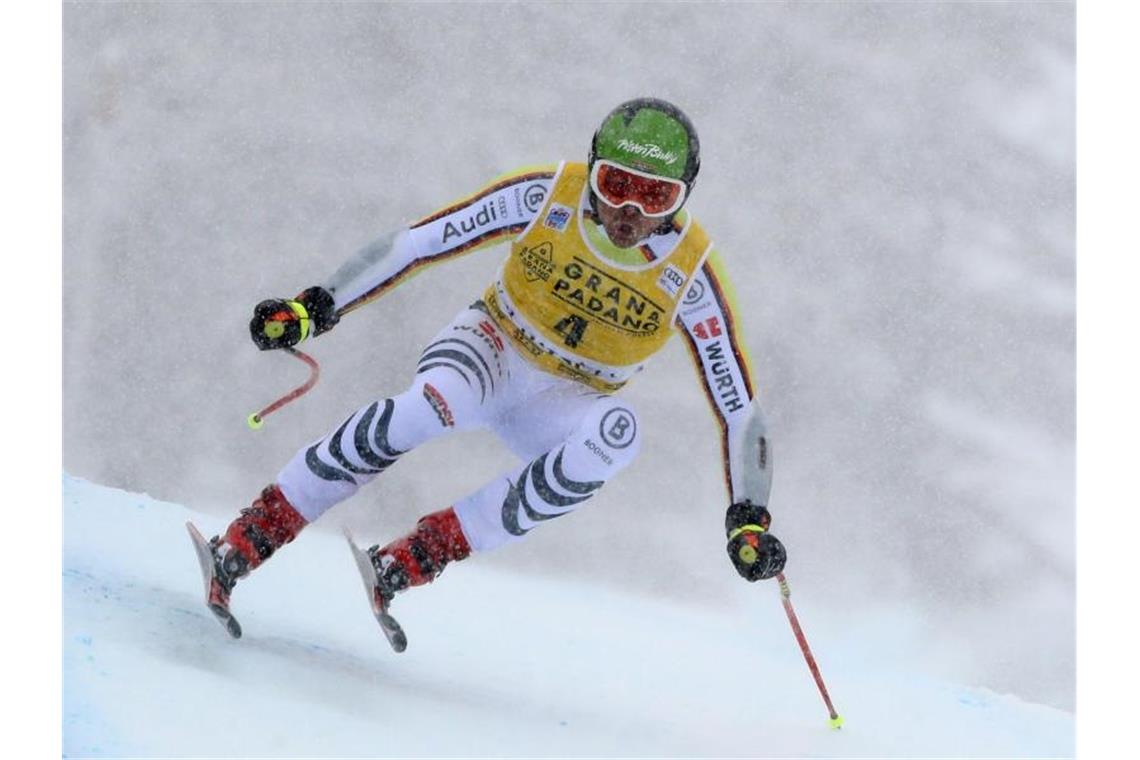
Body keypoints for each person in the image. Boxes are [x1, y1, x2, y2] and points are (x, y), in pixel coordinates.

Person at [198, 97, 787, 646]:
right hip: (494, 349)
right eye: (616, 184)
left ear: (682, 198)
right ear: (592, 168)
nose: (629, 212)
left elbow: (739, 407)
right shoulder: (548, 195)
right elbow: (418, 244)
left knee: (619, 435)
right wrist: (316, 305)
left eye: (654, 197)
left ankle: (419, 555)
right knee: (423, 412)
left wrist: (748, 518)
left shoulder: (692, 271)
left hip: (569, 399)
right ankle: (252, 536)